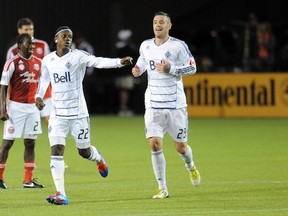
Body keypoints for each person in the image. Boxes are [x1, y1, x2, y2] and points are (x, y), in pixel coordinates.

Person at [35, 26, 133, 205]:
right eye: (64, 36)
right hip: (57, 114)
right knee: (56, 150)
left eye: (70, 37)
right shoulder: (48, 60)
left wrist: (119, 62)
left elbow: (98, 62)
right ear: (56, 39)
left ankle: (98, 158)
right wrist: (38, 96)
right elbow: (44, 80)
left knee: (84, 151)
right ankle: (61, 193)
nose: (68, 39)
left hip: (79, 114)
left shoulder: (78, 56)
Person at [131, 11, 201, 199]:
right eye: (155, 22)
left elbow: (193, 67)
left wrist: (172, 69)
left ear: (169, 26)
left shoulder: (178, 46)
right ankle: (162, 188)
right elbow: (142, 63)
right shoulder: (145, 45)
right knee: (154, 144)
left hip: (175, 104)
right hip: (153, 103)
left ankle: (190, 166)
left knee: (181, 148)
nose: (158, 25)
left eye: (162, 22)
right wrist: (138, 70)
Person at [0, 33, 44, 189]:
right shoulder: (12, 63)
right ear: (19, 45)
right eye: (28, 44)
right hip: (15, 107)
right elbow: (3, 86)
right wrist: (2, 109)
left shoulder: (39, 63)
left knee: (30, 143)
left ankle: (28, 180)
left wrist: (40, 99)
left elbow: (43, 84)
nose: (32, 47)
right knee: (7, 143)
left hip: (32, 108)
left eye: (33, 45)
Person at [6, 17, 52, 124]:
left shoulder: (42, 45)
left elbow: (49, 68)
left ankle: (57, 140)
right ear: (19, 30)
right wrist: (7, 99)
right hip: (23, 93)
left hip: (43, 89)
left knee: (50, 121)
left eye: (31, 29)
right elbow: (8, 77)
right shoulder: (12, 51)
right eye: (26, 29)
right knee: (26, 126)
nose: (29, 32)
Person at [114, 29, 138, 116]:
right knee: (125, 90)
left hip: (120, 73)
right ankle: (123, 108)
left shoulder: (118, 47)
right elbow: (135, 54)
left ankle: (123, 108)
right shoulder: (126, 48)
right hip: (125, 73)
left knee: (123, 90)